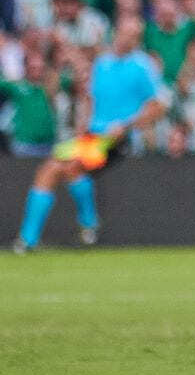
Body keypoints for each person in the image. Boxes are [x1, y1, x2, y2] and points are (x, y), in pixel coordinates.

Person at [12, 15, 168, 253]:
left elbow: (157, 105)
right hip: (92, 136)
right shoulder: (102, 63)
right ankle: (28, 239)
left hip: (117, 137)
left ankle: (89, 226)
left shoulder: (142, 66)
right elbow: (91, 100)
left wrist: (127, 125)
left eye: (135, 35)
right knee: (48, 170)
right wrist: (82, 125)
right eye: (127, 32)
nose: (130, 38)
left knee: (71, 165)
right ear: (118, 32)